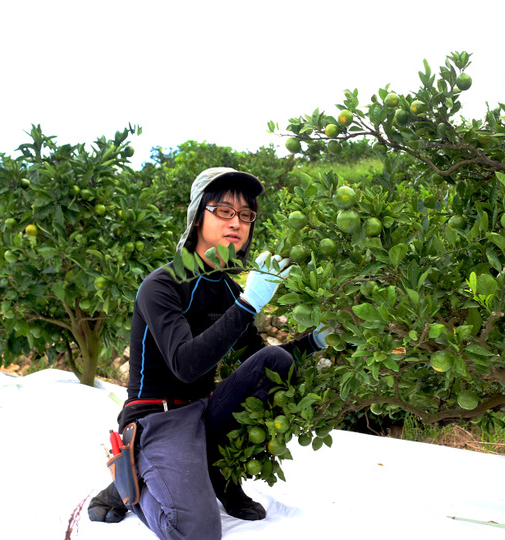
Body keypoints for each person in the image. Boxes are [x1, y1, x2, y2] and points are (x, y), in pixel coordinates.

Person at [88, 167, 332, 539]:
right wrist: (249, 303)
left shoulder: (230, 292)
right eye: (223, 211)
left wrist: (314, 342)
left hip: (204, 413)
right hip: (158, 419)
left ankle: (219, 474)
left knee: (276, 363)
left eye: (246, 215)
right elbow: (186, 365)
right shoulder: (162, 285)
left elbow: (258, 361)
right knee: (196, 531)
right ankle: (131, 482)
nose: (237, 222)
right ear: (198, 215)